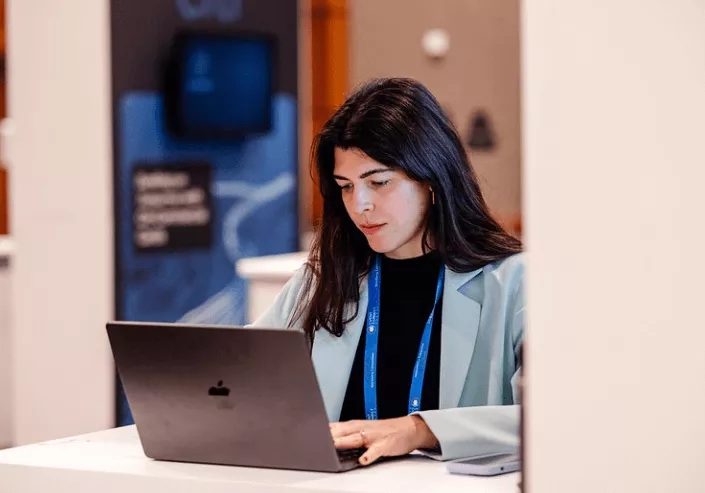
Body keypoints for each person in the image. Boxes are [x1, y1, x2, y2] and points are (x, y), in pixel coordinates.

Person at [251, 77, 524, 466]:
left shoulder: (513, 283)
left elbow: (553, 419)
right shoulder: (323, 279)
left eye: (378, 182)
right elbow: (239, 379)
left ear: (430, 179)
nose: (359, 204)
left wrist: (420, 429)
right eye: (345, 186)